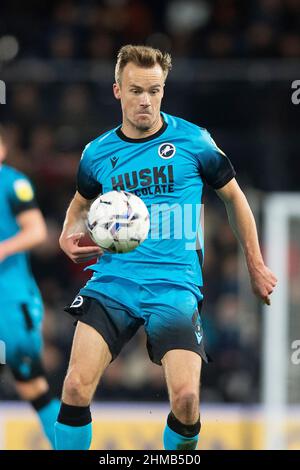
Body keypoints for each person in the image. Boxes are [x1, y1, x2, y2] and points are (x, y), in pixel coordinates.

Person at [56, 45, 277, 450]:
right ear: (117, 90)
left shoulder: (194, 141)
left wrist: (256, 266)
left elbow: (235, 198)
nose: (146, 100)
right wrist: (66, 233)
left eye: (155, 90)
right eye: (136, 90)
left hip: (175, 286)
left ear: (164, 90)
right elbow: (80, 201)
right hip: (113, 283)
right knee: (73, 386)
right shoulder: (96, 153)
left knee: (188, 399)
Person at [0, 128, 60, 448]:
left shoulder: (13, 183)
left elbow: (37, 230)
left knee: (31, 384)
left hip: (10, 297)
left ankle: (69, 444)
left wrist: (3, 249)